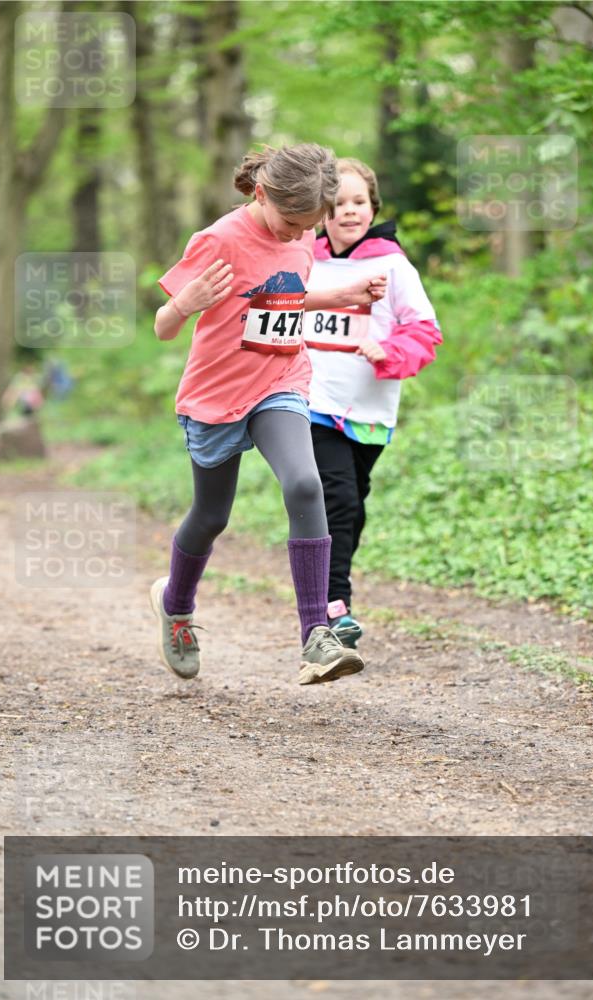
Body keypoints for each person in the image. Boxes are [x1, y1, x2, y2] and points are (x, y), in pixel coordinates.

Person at [151, 144, 387, 685]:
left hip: (280, 381)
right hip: (216, 395)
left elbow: (285, 299)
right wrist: (186, 303)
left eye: (308, 226)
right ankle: (176, 604)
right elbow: (164, 324)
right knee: (212, 517)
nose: (296, 234)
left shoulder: (302, 235)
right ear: (261, 193)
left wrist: (345, 293)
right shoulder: (219, 240)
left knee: (305, 484)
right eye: (290, 223)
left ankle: (315, 636)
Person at [305, 158, 442, 647]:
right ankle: (332, 606)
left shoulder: (392, 264)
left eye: (358, 202)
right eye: (337, 204)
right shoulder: (307, 259)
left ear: (373, 206)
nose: (348, 212)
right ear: (321, 211)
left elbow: (426, 332)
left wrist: (388, 351)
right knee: (335, 497)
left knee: (353, 504)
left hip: (370, 412)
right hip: (313, 403)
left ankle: (329, 590)